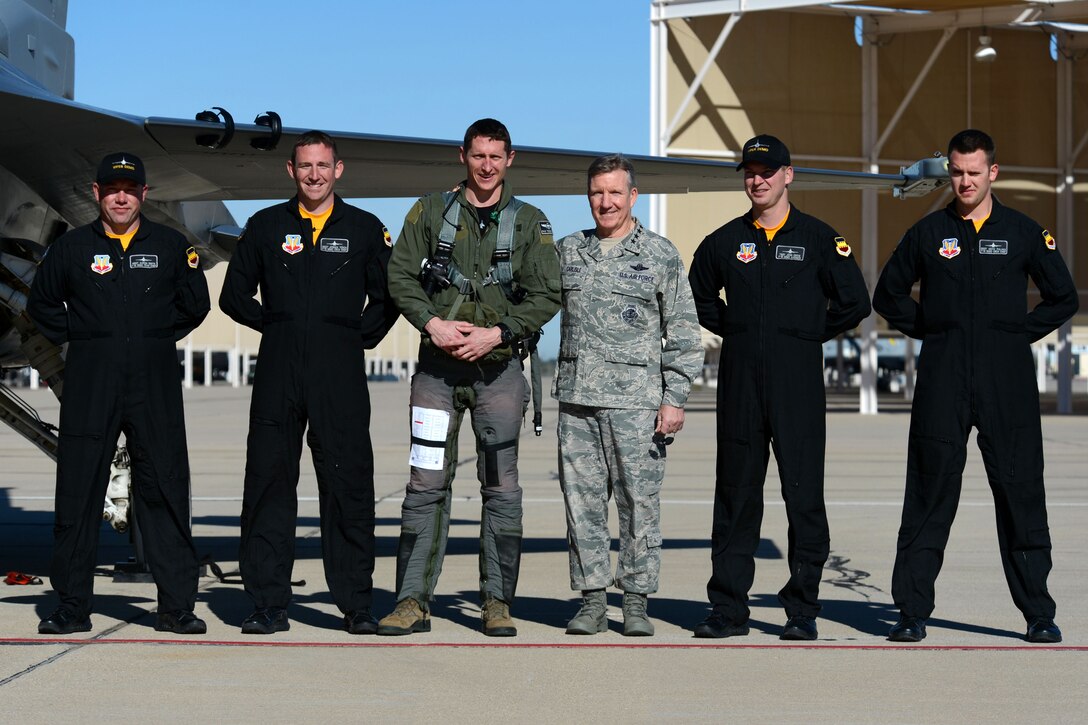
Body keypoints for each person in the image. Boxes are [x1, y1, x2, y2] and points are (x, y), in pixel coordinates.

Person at [873, 129, 1078, 644]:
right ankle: (912, 611)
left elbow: (1062, 297)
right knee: (929, 493)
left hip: (1005, 381)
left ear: (993, 173)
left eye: (973, 172)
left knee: (1021, 493)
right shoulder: (927, 233)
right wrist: (934, 332)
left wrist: (1015, 335)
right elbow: (888, 294)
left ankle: (1038, 612)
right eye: (957, 173)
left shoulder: (1025, 232)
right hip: (943, 379)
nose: (964, 181)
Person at [379, 118, 560, 637]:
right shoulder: (430, 212)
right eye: (478, 155)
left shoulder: (530, 222)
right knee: (424, 485)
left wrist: (497, 333)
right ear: (464, 156)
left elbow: (548, 295)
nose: (486, 166)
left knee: (501, 488)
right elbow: (400, 274)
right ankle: (412, 601)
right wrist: (432, 323)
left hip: (498, 372)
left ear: (510, 159)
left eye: (495, 156)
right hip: (436, 374)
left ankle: (497, 602)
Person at [687, 135, 871, 641]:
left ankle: (802, 609)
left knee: (804, 499)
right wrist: (738, 329)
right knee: (735, 499)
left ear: (788, 175)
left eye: (768, 171)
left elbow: (856, 302)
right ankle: (728, 609)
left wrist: (807, 333)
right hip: (741, 386)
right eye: (750, 171)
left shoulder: (819, 238)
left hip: (799, 388)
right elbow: (697, 293)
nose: (758, 179)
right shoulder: (724, 242)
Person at [219, 131, 398, 635]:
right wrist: (278, 326)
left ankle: (356, 604)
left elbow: (388, 299)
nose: (314, 175)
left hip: (338, 372)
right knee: (269, 485)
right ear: (290, 171)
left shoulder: (364, 229)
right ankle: (267, 603)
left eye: (323, 166)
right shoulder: (265, 225)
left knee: (348, 485)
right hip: (278, 371)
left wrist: (354, 337)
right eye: (305, 166)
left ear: (338, 169)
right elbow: (233, 297)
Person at [28, 152, 210, 635]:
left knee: (165, 488)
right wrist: (88, 335)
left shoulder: (171, 246)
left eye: (129, 189)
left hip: (154, 382)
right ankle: (71, 605)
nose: (121, 197)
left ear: (144, 194)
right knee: (77, 491)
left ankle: (176, 606)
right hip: (92, 380)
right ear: (97, 194)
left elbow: (195, 304)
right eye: (112, 190)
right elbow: (41, 303)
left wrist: (148, 335)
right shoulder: (71, 248)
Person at [554, 155, 702, 636]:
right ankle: (592, 599)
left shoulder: (659, 255)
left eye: (615, 192)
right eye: (597, 192)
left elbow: (683, 331)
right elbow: (530, 303)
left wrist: (674, 396)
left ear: (633, 197)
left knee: (639, 503)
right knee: (582, 504)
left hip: (638, 404)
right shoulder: (568, 251)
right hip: (578, 402)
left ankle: (635, 600)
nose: (606, 202)